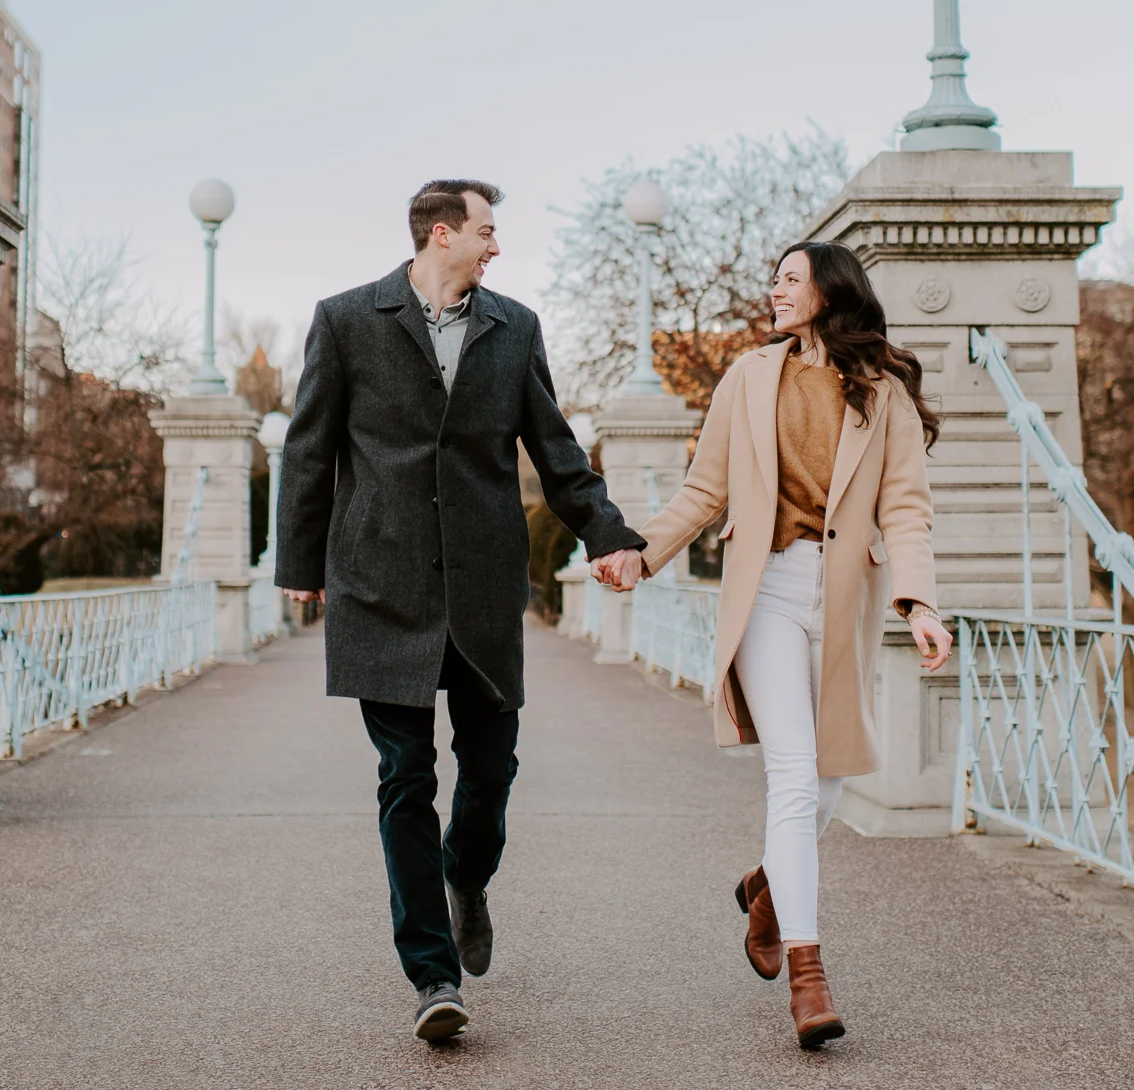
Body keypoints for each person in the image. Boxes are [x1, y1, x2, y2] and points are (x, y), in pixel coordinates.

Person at [277, 179, 646, 1043]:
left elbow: (557, 451)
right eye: (487, 230)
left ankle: (466, 875)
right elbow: (309, 445)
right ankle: (432, 973)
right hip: (381, 586)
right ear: (441, 234)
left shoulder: (514, 327)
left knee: (490, 772)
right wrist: (300, 562)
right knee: (404, 778)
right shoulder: (344, 320)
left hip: (482, 587)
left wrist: (608, 535)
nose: (496, 245)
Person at [594, 240, 951, 1051]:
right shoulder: (749, 377)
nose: (775, 291)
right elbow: (705, 489)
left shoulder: (882, 390)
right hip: (768, 591)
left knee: (824, 787)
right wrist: (640, 553)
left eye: (790, 280)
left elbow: (906, 508)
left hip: (846, 598)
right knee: (794, 776)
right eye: (775, 279)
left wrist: (921, 601)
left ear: (829, 292)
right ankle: (809, 977)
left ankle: (765, 888)